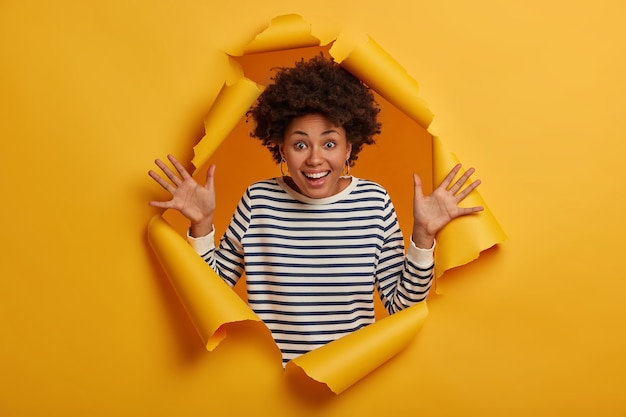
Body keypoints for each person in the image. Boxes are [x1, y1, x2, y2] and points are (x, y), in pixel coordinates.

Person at [148, 55, 483, 365]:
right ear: (281, 149)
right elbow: (214, 294)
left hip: (350, 376)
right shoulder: (259, 200)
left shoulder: (374, 202)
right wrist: (202, 226)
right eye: (299, 144)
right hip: (270, 384)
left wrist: (423, 237)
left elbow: (400, 308)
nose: (315, 158)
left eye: (329, 143)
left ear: (349, 147)